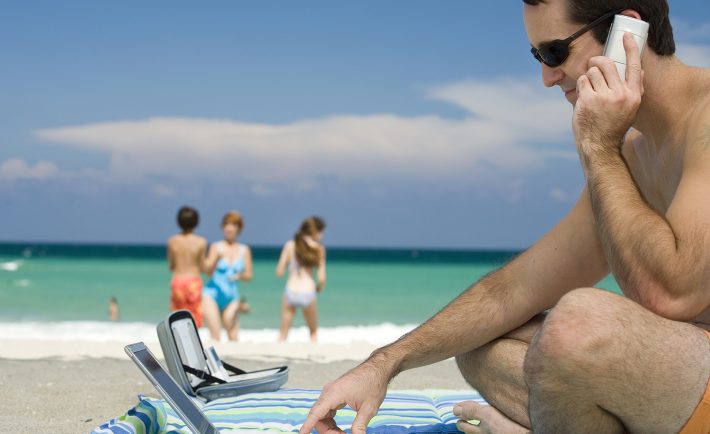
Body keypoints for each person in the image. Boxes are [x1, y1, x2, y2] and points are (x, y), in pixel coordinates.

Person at [300, 1, 710, 433]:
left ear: (627, 32)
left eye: (555, 53)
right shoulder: (633, 155)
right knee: (479, 340)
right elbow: (511, 291)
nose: (547, 78)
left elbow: (671, 296)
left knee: (578, 322)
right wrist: (382, 365)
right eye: (538, 57)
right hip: (680, 386)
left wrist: (598, 148)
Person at [202, 211, 253, 341]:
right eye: (226, 224)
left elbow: (248, 276)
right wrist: (215, 260)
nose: (229, 228)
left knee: (233, 337)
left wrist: (239, 276)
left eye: (233, 225)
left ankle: (241, 305)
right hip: (212, 294)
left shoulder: (244, 249)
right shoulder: (216, 247)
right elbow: (207, 272)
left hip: (231, 296)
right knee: (216, 336)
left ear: (239, 229)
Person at [276, 216, 326, 343]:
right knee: (313, 332)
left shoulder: (290, 245)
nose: (322, 235)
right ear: (315, 232)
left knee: (283, 335)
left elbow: (279, 272)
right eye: (321, 232)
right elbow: (321, 278)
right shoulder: (319, 248)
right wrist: (318, 288)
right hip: (308, 292)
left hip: (291, 291)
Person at [167, 206, 208, 327]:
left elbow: (171, 266)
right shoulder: (201, 241)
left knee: (177, 319)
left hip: (177, 281)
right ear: (196, 222)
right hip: (193, 282)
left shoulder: (172, 240)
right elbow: (202, 267)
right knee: (194, 320)